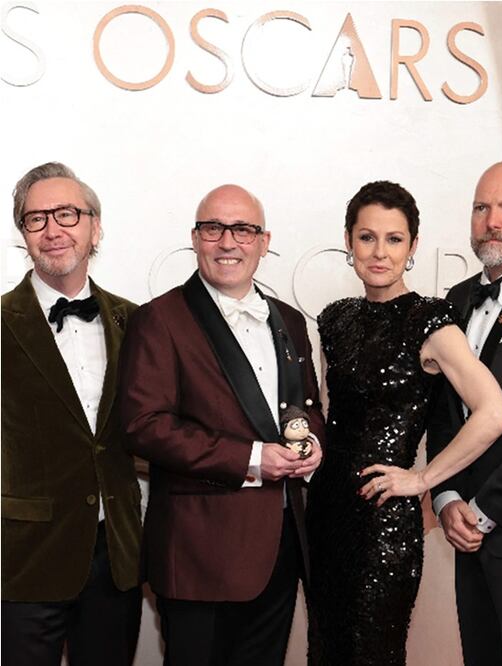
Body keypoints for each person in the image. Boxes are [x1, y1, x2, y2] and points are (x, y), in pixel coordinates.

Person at [305, 180, 502, 666]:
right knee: (328, 650)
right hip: (326, 513)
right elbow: (329, 415)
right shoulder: (335, 320)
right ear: (349, 241)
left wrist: (422, 479)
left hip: (384, 522)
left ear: (413, 246)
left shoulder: (430, 322)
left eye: (394, 239)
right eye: (367, 237)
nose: (380, 252)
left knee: (373, 652)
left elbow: (495, 413)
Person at [118, 184, 325, 665]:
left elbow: (306, 406)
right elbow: (143, 425)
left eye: (243, 230)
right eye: (213, 228)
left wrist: (313, 441)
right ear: (195, 238)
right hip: (199, 557)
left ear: (264, 242)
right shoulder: (159, 319)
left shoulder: (290, 321)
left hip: (281, 548)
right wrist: (251, 458)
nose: (228, 242)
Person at [2, 162, 143, 665]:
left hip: (117, 556)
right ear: (23, 234)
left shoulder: (136, 320)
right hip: (24, 559)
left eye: (67, 214)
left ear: (94, 227)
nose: (53, 229)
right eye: (36, 218)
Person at [427, 161, 502, 666]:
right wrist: (447, 498)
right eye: (482, 207)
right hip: (465, 532)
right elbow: (442, 415)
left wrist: (482, 511)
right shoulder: (455, 300)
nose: (492, 221)